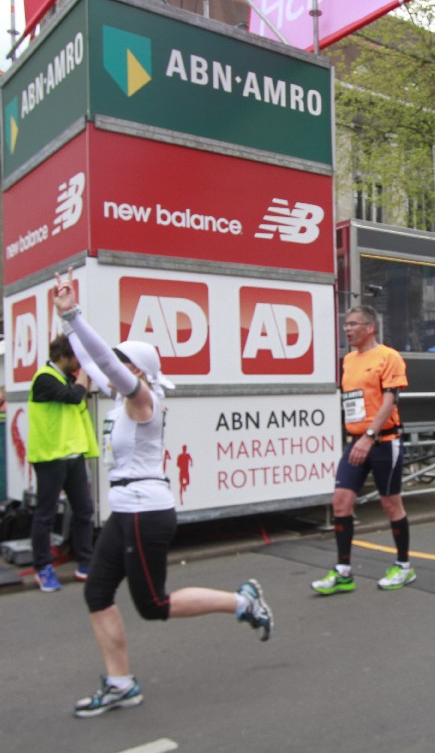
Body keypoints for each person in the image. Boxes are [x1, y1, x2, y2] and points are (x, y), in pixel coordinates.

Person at [51, 270, 272, 718]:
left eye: (121, 362)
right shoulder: (121, 400)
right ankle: (121, 684)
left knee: (154, 605)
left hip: (145, 512)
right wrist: (65, 319)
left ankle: (244, 601)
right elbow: (91, 361)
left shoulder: (143, 401)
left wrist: (74, 315)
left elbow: (103, 361)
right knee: (97, 593)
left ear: (135, 370)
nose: (111, 367)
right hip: (125, 511)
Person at [312, 305, 414, 594]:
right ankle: (343, 572)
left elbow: (389, 401)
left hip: (383, 442)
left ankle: (404, 566)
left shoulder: (389, 357)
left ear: (370, 328)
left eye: (354, 324)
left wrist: (370, 435)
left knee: (391, 504)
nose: (347, 329)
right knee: (341, 502)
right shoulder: (348, 360)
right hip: (355, 441)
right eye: (346, 324)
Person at [27, 334, 98, 593]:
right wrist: (83, 379)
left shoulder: (65, 378)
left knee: (84, 510)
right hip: (50, 456)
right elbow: (72, 397)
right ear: (64, 357)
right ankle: (43, 568)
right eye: (77, 358)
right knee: (45, 515)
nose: (79, 364)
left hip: (73, 454)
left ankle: (85, 562)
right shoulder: (44, 378)